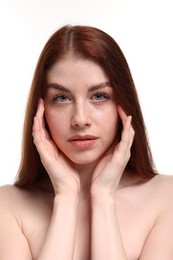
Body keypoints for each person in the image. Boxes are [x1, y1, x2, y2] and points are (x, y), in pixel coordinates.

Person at [0, 25, 173, 260]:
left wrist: (103, 197)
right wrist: (66, 196)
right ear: (41, 110)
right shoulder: (8, 205)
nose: (80, 119)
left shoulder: (165, 197)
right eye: (61, 98)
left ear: (123, 103)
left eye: (99, 96)